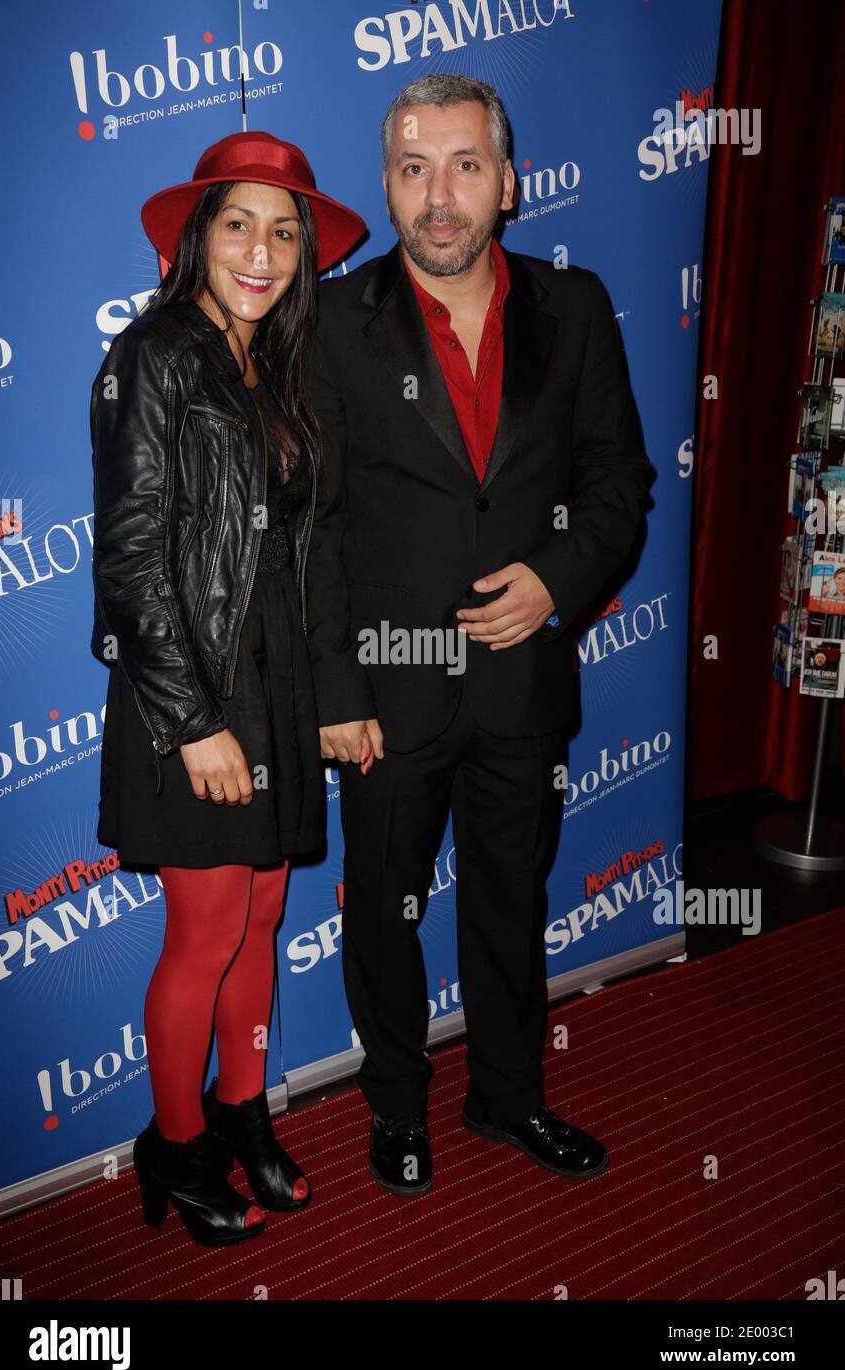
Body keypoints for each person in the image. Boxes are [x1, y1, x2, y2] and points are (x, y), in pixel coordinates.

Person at [305, 74, 654, 1196]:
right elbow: (303, 532)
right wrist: (334, 688)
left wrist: (553, 583)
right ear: (386, 183)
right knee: (382, 911)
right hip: (385, 697)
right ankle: (395, 1105)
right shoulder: (333, 324)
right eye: (412, 169)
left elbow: (617, 484)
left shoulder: (578, 305)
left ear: (508, 182)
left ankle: (508, 1096)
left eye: (463, 166)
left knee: (512, 900)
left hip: (520, 686)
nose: (437, 196)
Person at [90, 130, 365, 1245]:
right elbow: (130, 557)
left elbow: (314, 552)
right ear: (198, 235)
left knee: (261, 917)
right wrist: (193, 719)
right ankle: (179, 1145)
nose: (263, 249)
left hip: (281, 683)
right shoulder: (151, 356)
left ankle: (241, 1114)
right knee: (204, 934)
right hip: (191, 692)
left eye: (285, 229)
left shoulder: (279, 370)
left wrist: (334, 692)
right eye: (239, 222)